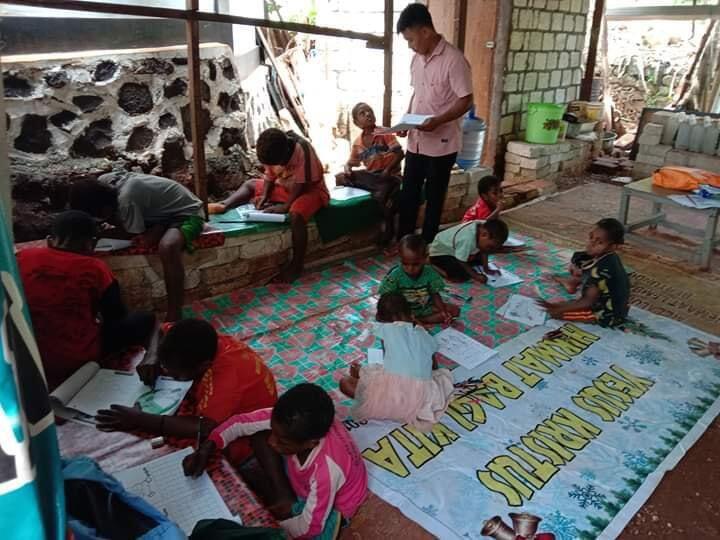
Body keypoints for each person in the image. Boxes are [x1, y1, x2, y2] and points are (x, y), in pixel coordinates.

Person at [183, 383, 368, 540]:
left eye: (282, 441)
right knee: (258, 435)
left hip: (338, 508)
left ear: (311, 442)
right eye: (274, 431)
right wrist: (207, 447)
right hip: (312, 481)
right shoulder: (293, 423)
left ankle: (288, 503)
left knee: (308, 531)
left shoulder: (326, 471)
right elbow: (240, 423)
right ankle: (286, 498)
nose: (272, 442)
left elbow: (310, 528)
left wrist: (272, 525)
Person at [95, 318, 277, 466]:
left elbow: (205, 427)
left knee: (193, 456)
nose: (167, 373)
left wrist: (139, 419)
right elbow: (159, 328)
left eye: (174, 372)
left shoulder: (227, 378)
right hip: (221, 405)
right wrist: (152, 357)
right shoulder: (194, 339)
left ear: (203, 366)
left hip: (249, 434)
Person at [17, 210, 156, 391]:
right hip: (75, 359)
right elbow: (115, 316)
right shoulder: (95, 267)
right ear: (91, 243)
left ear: (50, 239)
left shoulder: (23, 257)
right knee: (146, 319)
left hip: (23, 351)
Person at [69, 171, 205, 322]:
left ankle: (174, 313)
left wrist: (99, 235)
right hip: (158, 215)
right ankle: (160, 226)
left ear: (104, 209)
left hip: (187, 213)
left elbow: (132, 234)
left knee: (168, 247)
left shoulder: (127, 199)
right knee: (148, 235)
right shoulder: (104, 182)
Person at [208, 128, 330, 283]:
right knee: (251, 184)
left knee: (296, 214)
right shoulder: (272, 147)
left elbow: (302, 184)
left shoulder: (303, 149)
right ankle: (224, 204)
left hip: (310, 191)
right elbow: (269, 176)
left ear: (286, 152)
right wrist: (265, 195)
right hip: (286, 188)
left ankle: (297, 265)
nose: (276, 166)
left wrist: (285, 206)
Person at [395, 3, 473, 244]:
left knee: (434, 197)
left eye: (411, 39)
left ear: (425, 32)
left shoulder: (454, 60)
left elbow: (466, 100)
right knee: (408, 193)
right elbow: (416, 94)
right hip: (417, 141)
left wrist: (438, 121)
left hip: (441, 144)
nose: (410, 46)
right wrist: (405, 120)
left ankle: (429, 244)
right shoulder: (416, 60)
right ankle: (405, 241)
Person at [339, 293, 454, 431]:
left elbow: (388, 363)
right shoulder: (424, 333)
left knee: (346, 382)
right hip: (424, 397)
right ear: (410, 313)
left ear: (381, 318)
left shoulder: (385, 330)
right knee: (374, 373)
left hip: (393, 393)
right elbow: (433, 365)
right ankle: (392, 404)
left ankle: (384, 405)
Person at [538, 218, 630, 328]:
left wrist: (557, 309)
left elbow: (587, 302)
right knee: (564, 305)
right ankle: (571, 284)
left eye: (599, 242)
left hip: (607, 315)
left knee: (557, 314)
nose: (592, 244)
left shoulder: (601, 270)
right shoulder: (610, 257)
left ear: (613, 246)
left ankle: (600, 317)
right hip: (608, 302)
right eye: (591, 237)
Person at [336, 102, 404, 245]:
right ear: (356, 122)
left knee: (381, 195)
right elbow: (351, 162)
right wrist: (348, 169)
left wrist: (388, 169)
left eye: (370, 111)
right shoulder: (357, 143)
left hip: (389, 175)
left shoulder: (384, 133)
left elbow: (400, 153)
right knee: (341, 178)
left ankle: (388, 227)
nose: (368, 114)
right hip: (373, 177)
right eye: (362, 113)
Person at [379, 234, 459, 325]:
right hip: (405, 311)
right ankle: (413, 320)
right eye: (405, 264)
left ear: (425, 258)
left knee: (454, 311)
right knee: (392, 317)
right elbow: (386, 298)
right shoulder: (395, 276)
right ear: (400, 257)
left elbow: (435, 294)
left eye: (415, 264)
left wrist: (443, 311)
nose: (410, 269)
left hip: (425, 307)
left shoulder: (430, 273)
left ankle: (420, 320)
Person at [429, 219, 509, 283]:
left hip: (457, 248)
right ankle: (431, 264)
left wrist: (486, 268)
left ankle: (467, 258)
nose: (490, 250)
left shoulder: (485, 227)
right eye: (490, 246)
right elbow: (461, 260)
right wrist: (475, 276)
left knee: (479, 259)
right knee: (461, 276)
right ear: (484, 234)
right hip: (440, 252)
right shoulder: (467, 239)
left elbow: (485, 251)